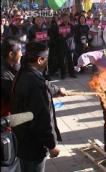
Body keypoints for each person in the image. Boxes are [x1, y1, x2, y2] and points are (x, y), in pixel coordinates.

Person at [11, 42, 62, 172]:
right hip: (34, 146)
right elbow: (41, 119)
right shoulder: (35, 84)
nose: (48, 62)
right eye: (47, 58)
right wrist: (51, 146)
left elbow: (45, 84)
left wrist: (57, 90)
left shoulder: (23, 72)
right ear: (40, 60)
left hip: (22, 139)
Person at [1, 37, 22, 116]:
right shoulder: (4, 76)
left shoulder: (14, 65)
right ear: (11, 54)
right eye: (19, 50)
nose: (21, 54)